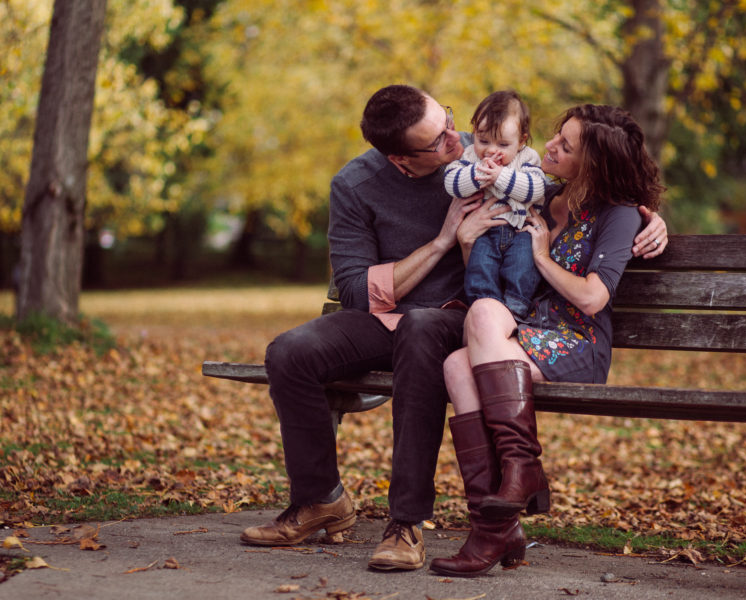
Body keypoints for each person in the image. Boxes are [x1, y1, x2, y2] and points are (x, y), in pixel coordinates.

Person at [239, 85, 668, 572]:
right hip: (387, 315)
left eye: (447, 120)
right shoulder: (356, 185)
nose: (457, 139)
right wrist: (445, 240)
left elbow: (583, 186)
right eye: (439, 138)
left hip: (458, 315)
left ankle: (405, 522)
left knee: (422, 332)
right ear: (402, 159)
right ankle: (320, 500)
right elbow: (359, 293)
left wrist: (652, 220)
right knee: (290, 352)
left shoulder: (488, 148)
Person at [429, 104, 665, 577]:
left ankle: (514, 487)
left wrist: (541, 255)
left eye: (566, 144)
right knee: (458, 361)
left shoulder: (617, 215)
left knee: (476, 331)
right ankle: (497, 522)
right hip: (532, 331)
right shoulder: (542, 194)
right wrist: (468, 240)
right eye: (557, 135)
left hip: (578, 341)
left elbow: (594, 298)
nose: (551, 145)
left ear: (592, 164)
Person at [444, 90, 547, 321]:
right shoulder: (470, 157)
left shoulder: (527, 158)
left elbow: (535, 188)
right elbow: (452, 183)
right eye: (484, 141)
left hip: (520, 230)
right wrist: (478, 174)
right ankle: (485, 308)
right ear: (474, 135)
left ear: (521, 141)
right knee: (480, 268)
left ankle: (515, 308)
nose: (491, 150)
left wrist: (500, 176)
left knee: (522, 267)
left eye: (502, 143)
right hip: (484, 233)